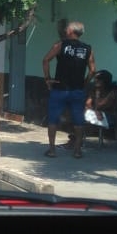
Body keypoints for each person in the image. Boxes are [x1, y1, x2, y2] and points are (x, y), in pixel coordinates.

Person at [41, 20, 95, 159]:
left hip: (59, 88)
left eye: (67, 28)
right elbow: (92, 70)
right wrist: (85, 82)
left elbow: (46, 60)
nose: (65, 30)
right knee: (78, 120)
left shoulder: (60, 45)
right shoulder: (87, 48)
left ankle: (52, 150)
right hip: (77, 90)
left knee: (53, 119)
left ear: (71, 31)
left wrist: (48, 79)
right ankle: (77, 151)